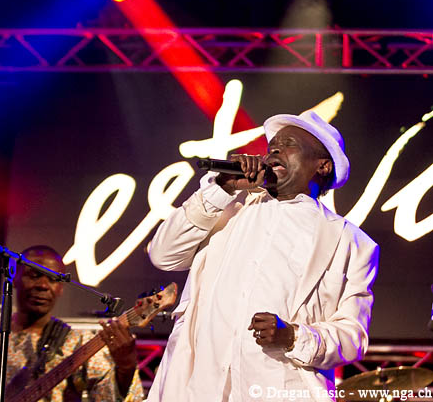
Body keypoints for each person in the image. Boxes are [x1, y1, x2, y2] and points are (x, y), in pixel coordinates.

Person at [146, 111, 379, 402]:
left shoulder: (351, 243)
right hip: (197, 390)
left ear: (323, 165)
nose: (274, 151)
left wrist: (294, 336)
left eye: (289, 144)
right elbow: (163, 255)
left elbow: (352, 336)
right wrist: (223, 188)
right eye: (272, 147)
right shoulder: (228, 209)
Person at [0, 245, 144, 402]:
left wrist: (126, 368)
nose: (43, 285)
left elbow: (108, 396)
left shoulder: (76, 342)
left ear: (61, 287)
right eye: (34, 276)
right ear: (14, 278)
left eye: (53, 279)